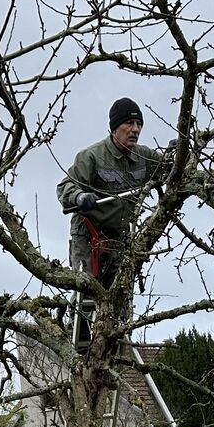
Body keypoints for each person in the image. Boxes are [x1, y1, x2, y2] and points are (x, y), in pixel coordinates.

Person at [57, 97, 167, 290]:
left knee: (118, 299)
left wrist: (179, 154)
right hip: (89, 238)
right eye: (129, 123)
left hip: (120, 239)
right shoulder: (91, 156)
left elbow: (170, 170)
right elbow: (65, 186)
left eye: (139, 124)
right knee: (88, 294)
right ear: (115, 127)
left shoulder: (145, 157)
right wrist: (80, 197)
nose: (136, 129)